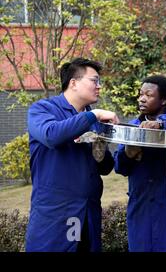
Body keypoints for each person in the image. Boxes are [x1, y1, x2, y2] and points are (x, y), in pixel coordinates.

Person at [25, 58, 120, 252]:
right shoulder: (43, 109)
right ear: (74, 83)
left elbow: (105, 167)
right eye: (94, 81)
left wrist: (99, 147)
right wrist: (93, 116)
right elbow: (51, 135)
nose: (99, 86)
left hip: (87, 213)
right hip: (57, 215)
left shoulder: (93, 119)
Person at [114, 75, 166, 252]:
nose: (142, 98)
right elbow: (120, 167)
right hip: (141, 205)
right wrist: (128, 153)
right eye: (140, 94)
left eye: (148, 95)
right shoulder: (132, 127)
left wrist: (160, 125)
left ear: (164, 99)